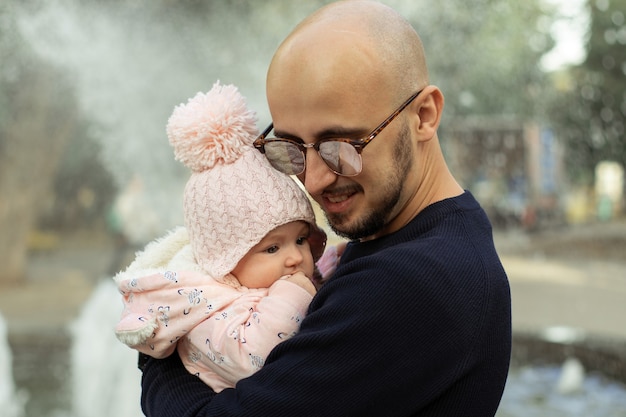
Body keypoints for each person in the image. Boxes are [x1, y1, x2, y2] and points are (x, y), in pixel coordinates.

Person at [139, 1, 512, 416]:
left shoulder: (412, 283)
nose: (313, 180)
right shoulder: (423, 235)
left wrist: (162, 341)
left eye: (340, 147)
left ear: (423, 115)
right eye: (291, 148)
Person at [113, 81, 328, 392]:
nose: (295, 257)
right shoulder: (206, 309)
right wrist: (292, 295)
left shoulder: (272, 282)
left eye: (300, 239)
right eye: (271, 248)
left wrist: (335, 262)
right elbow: (250, 361)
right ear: (224, 260)